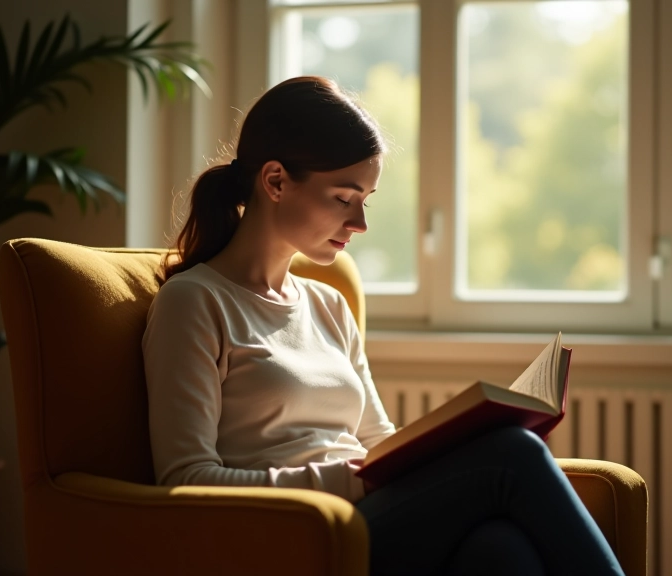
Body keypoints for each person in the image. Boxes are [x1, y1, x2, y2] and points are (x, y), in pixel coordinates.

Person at [142, 76, 626, 576]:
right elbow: (186, 479)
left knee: (499, 550)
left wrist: (436, 449)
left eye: (365, 201)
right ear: (276, 181)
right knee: (512, 455)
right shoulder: (194, 302)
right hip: (294, 535)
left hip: (370, 517)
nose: (360, 225)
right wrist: (351, 480)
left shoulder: (329, 305)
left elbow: (378, 442)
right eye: (342, 198)